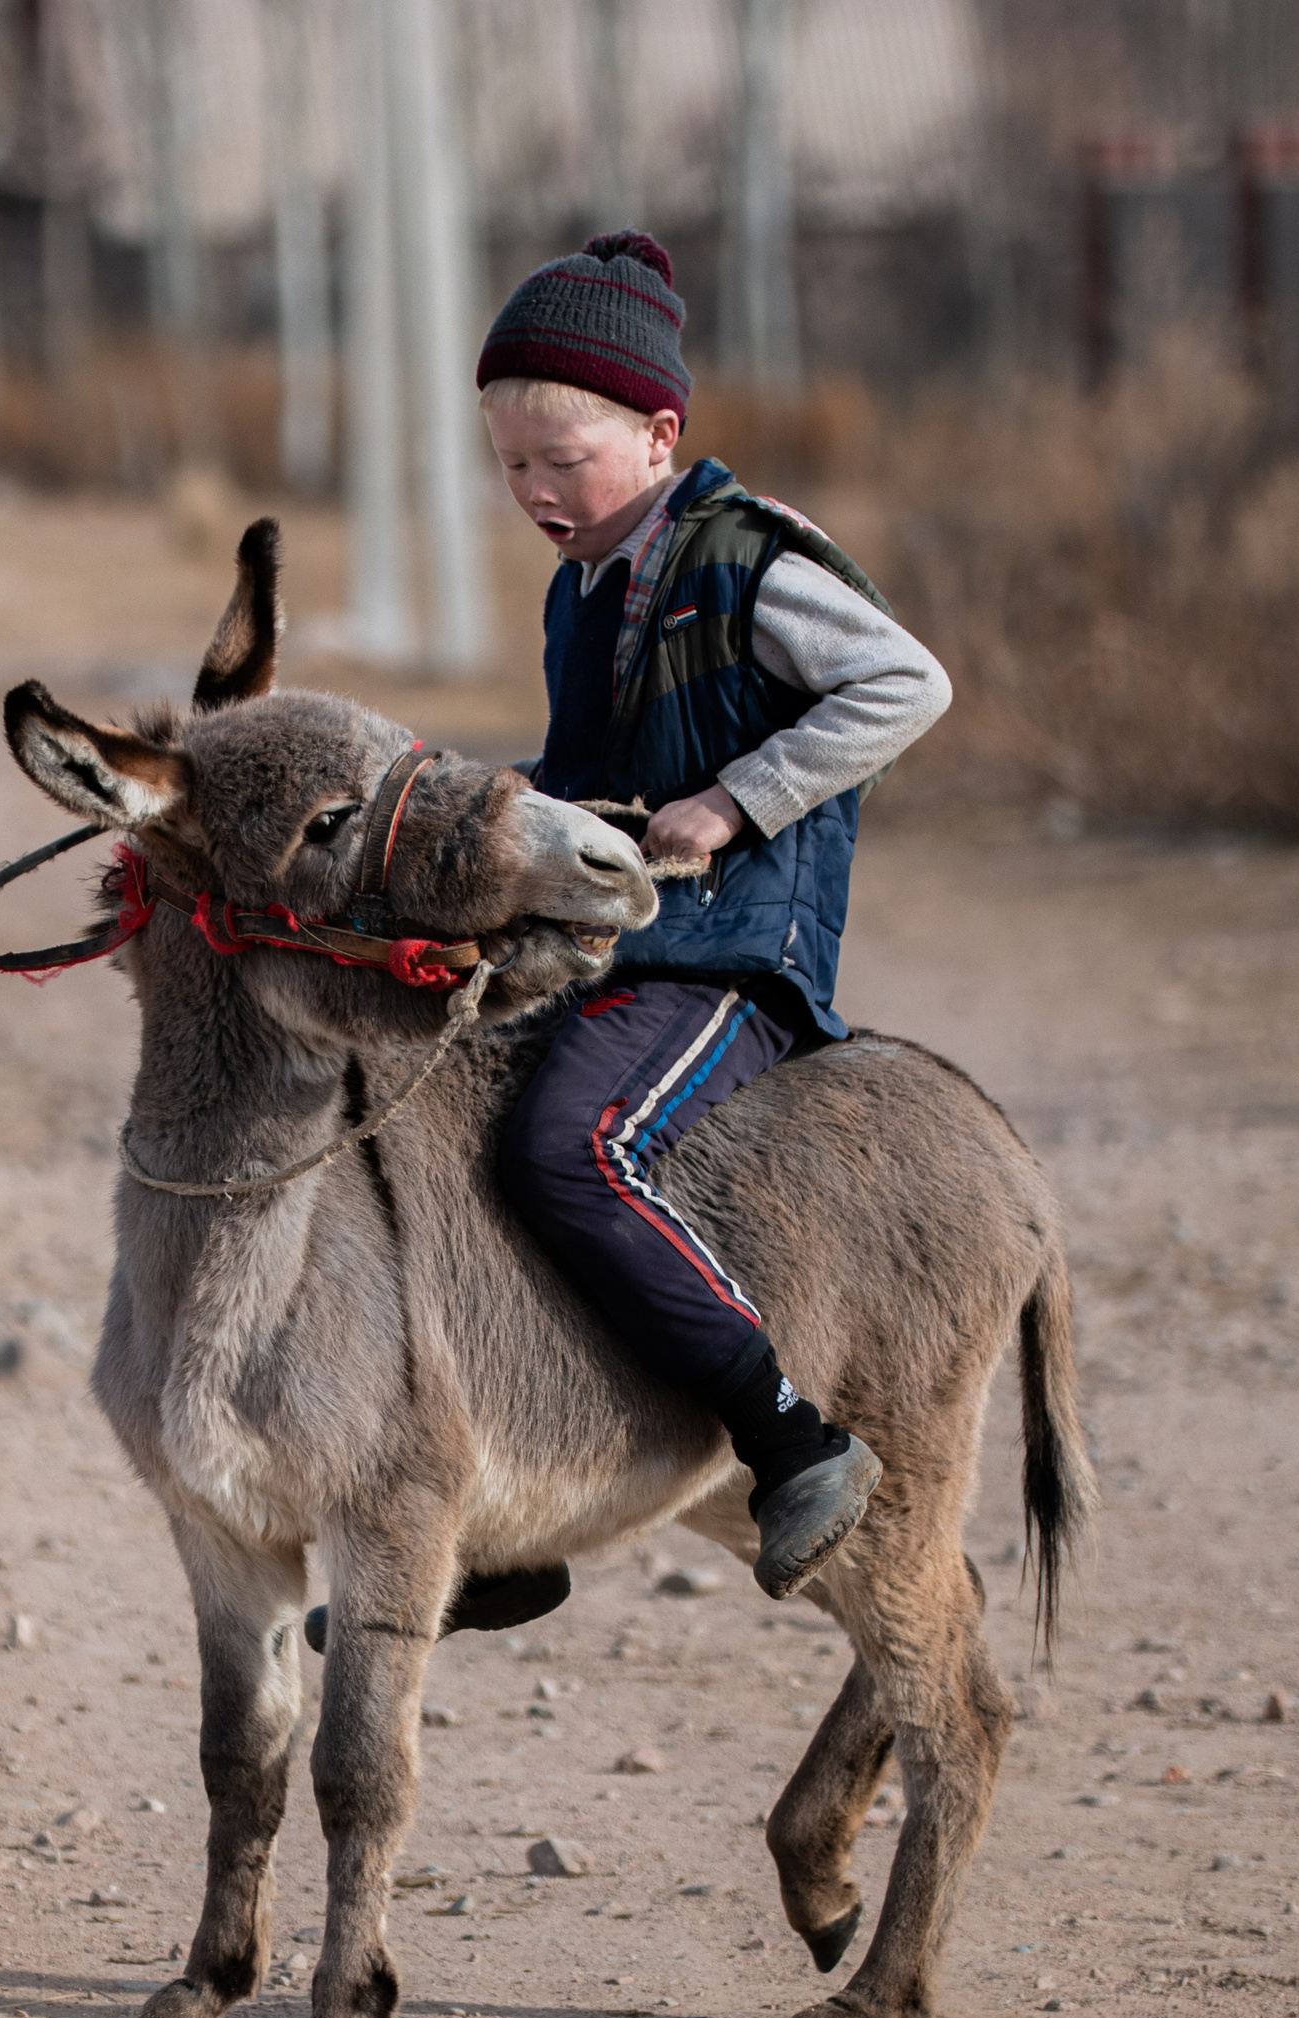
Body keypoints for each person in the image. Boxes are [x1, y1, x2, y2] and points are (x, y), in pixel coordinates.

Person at [479, 229, 953, 1607]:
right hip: (621, 937)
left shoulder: (753, 557)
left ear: (658, 431)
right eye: (511, 464)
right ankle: (510, 1531)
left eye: (560, 459)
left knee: (579, 1142)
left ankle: (791, 1433)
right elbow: (585, 780)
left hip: (729, 956)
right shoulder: (580, 589)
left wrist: (738, 801)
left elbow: (906, 683)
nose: (534, 490)